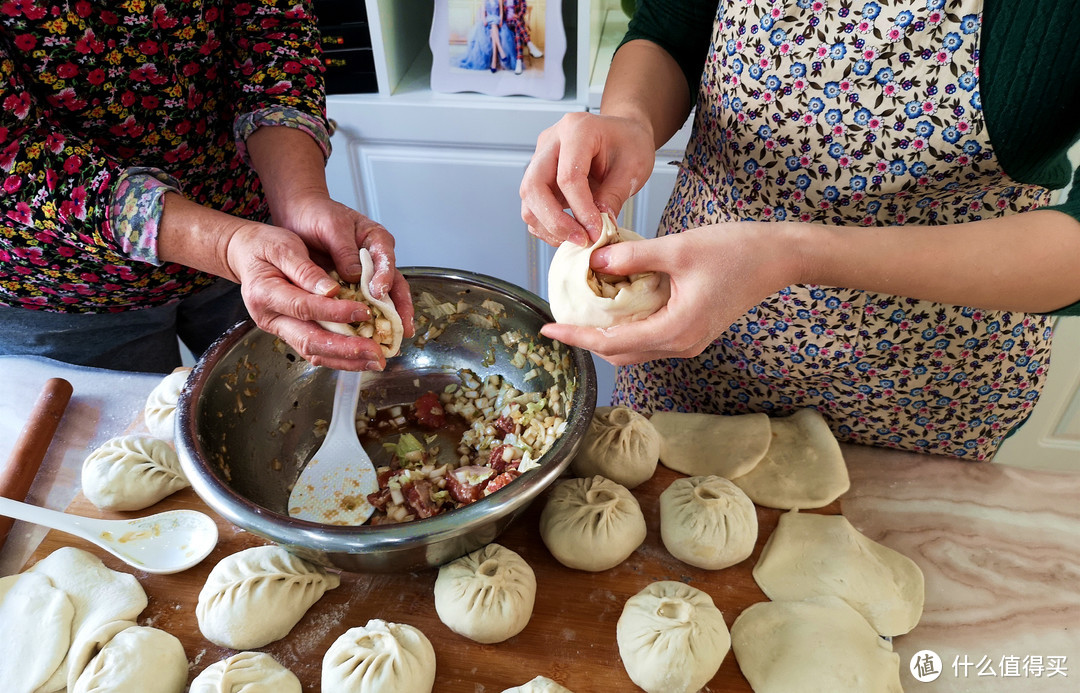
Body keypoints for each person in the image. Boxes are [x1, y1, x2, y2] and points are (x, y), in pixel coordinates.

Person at [520, 0, 1080, 461]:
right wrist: (629, 119)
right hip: (692, 346)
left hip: (924, 379)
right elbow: (670, 29)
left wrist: (791, 253)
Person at [0, 0, 413, 374]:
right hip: (68, 287)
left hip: (256, 239)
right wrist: (224, 244)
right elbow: (11, 156)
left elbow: (274, 33)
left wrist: (299, 200)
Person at [458, 0, 517, 73]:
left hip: (497, 21)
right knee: (493, 25)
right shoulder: (484, 1)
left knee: (494, 25)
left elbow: (501, 13)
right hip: (488, 21)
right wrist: (484, 21)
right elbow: (483, 13)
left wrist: (500, 21)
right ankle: (500, 50)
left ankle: (494, 62)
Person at [505, 0, 544, 75]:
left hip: (518, 22)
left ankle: (519, 62)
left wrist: (518, 15)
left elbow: (524, 8)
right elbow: (501, 12)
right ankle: (530, 45)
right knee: (517, 23)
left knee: (518, 32)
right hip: (508, 23)